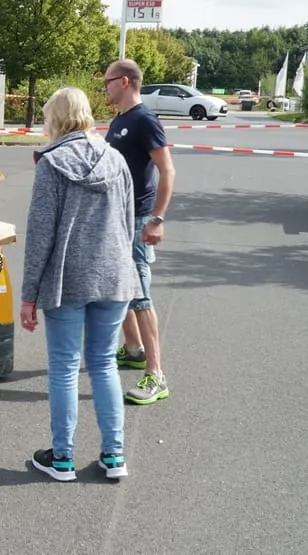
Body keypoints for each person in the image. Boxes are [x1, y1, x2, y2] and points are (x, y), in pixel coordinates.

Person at [21, 86, 139, 482]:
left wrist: (28, 296)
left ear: (55, 117)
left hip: (67, 278)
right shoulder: (117, 158)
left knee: (65, 368)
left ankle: (63, 458)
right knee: (104, 364)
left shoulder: (51, 162)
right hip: (115, 274)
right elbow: (127, 222)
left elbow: (40, 235)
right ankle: (114, 455)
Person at [102, 59, 176, 406]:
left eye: (108, 81)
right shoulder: (120, 120)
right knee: (122, 289)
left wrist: (156, 219)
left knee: (141, 294)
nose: (105, 87)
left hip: (137, 219)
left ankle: (156, 375)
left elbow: (167, 170)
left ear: (126, 81)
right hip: (116, 217)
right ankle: (133, 350)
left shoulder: (145, 120)